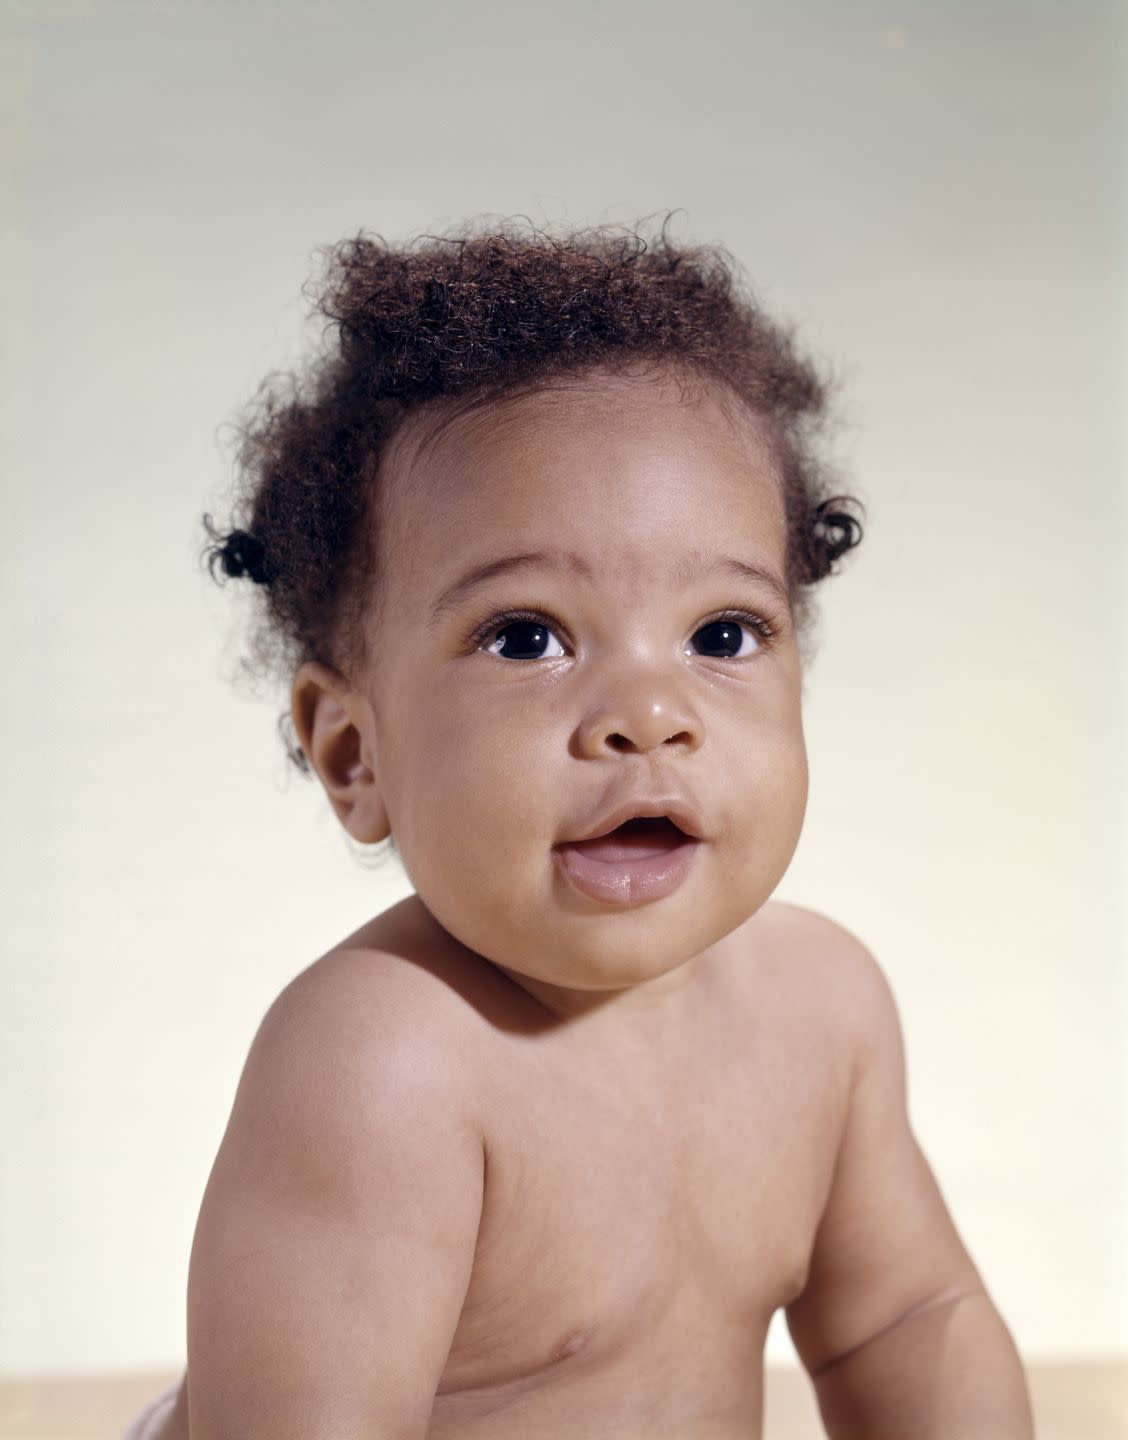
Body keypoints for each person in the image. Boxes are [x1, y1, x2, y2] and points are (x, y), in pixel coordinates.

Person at [126, 218, 1034, 1438]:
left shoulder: (825, 1008)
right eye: (526, 637)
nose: (647, 718)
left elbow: (908, 1321)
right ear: (355, 750)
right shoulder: (387, 1060)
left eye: (722, 636)